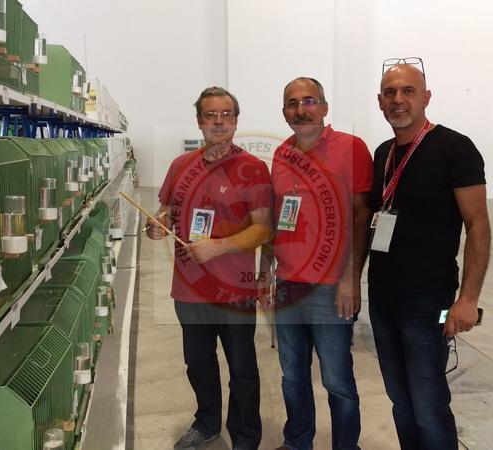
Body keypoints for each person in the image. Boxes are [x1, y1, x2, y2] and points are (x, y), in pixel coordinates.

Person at [367, 59, 492, 449]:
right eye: (390, 93)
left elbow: (478, 226)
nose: (398, 100)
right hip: (382, 295)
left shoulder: (455, 148)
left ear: (426, 97)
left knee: (428, 402)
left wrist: (468, 299)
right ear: (380, 101)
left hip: (429, 300)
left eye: (408, 91)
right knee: (399, 399)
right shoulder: (383, 153)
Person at [146, 86, 272, 450]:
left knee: (242, 369)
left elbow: (263, 229)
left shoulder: (253, 169)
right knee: (198, 364)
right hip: (189, 290)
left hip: (233, 291)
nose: (219, 121)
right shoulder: (180, 166)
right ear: (199, 121)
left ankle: (245, 435)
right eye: (211, 115)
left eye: (226, 114)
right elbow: (166, 212)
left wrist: (219, 246)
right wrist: (156, 226)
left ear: (236, 120)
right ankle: (206, 423)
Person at [260, 77, 373, 450]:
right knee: (292, 376)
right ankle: (297, 443)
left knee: (336, 379)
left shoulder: (351, 148)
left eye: (309, 101)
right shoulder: (282, 154)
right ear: (284, 113)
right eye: (292, 103)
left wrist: (350, 279)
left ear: (324, 107)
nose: (301, 109)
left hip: (330, 287)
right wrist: (265, 272)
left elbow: (362, 216)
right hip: (288, 285)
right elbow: (277, 217)